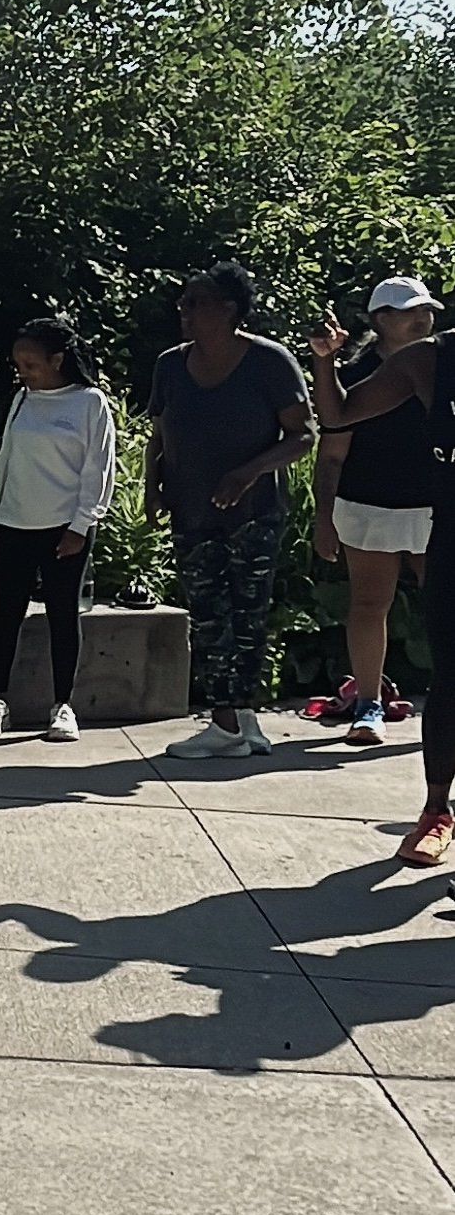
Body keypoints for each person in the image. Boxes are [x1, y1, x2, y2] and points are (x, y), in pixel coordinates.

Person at [148, 267, 314, 762]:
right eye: (183, 303)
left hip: (255, 513)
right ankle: (233, 723)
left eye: (197, 302)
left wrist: (248, 473)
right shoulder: (170, 366)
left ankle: (234, 721)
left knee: (248, 616)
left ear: (230, 309)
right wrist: (152, 485)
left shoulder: (269, 363)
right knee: (207, 616)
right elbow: (159, 433)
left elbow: (302, 435)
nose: (185, 311)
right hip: (191, 510)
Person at [307, 304, 455, 860]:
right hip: (447, 521)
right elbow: (340, 415)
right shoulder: (430, 360)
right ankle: (437, 810)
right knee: (450, 675)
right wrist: (326, 362)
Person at [0, 315, 118, 744]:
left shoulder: (90, 403)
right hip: (14, 522)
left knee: (61, 613)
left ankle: (63, 705)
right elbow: (5, 460)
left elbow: (98, 470)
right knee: (7, 614)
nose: (23, 371)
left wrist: (81, 525)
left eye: (31, 363)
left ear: (57, 360)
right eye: (18, 363)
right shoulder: (22, 400)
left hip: (64, 527)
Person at [312, 277, 438, 748]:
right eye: (408, 311)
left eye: (426, 309)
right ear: (380, 320)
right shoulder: (355, 374)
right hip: (368, 505)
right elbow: (331, 454)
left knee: (445, 605)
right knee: (369, 604)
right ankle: (368, 705)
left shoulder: (443, 364)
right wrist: (324, 518)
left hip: (435, 505)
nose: (421, 318)